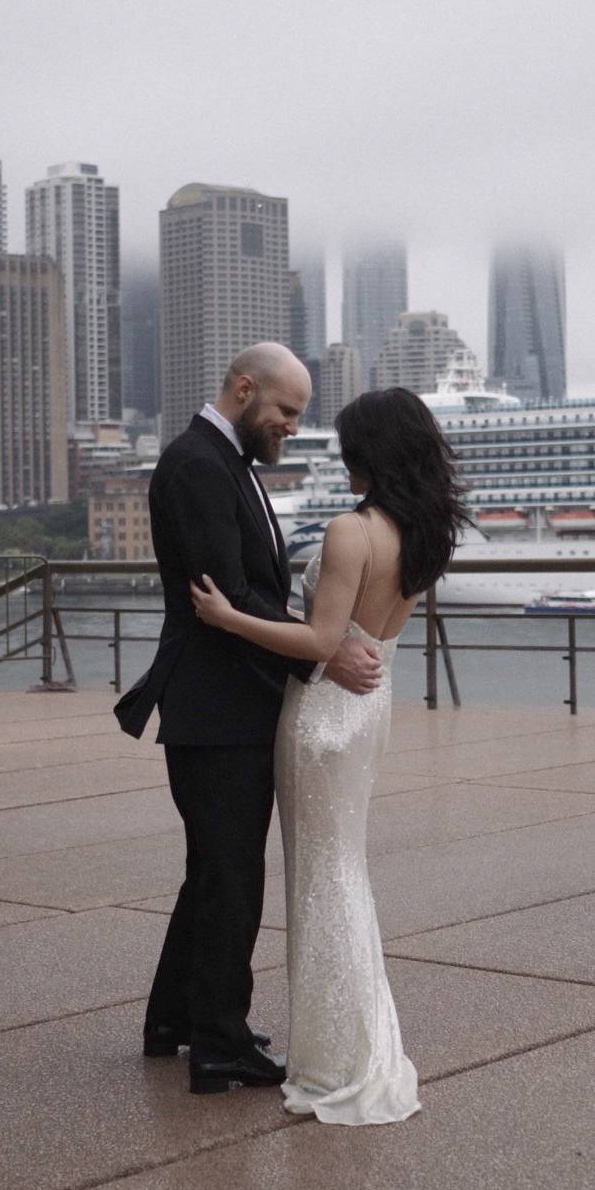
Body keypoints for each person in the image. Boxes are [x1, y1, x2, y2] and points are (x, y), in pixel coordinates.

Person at [189, 385, 467, 1125]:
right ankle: (345, 1043)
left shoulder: (352, 531)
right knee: (340, 870)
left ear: (371, 452)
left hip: (320, 721)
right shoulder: (425, 530)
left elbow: (318, 644)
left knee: (322, 879)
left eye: (347, 447)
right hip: (369, 710)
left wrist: (229, 615)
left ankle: (340, 1056)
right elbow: (353, 636)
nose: (339, 459)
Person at [116, 344, 385, 1095]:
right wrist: (324, 654)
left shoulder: (222, 461)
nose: (293, 427)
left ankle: (176, 1020)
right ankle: (221, 1046)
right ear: (244, 389)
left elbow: (243, 592)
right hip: (216, 708)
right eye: (287, 411)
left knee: (212, 872)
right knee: (231, 878)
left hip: (224, 703)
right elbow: (225, 593)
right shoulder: (199, 465)